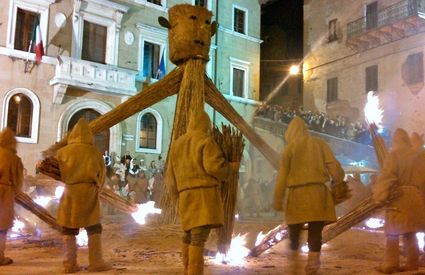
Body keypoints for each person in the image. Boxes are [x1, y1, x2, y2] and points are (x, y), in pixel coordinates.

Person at [166, 110, 239, 275]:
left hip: (185, 197)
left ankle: (187, 269)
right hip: (203, 198)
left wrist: (176, 196)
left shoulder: (177, 144)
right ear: (206, 124)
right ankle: (194, 272)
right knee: (198, 238)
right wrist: (230, 168)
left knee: (188, 235)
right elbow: (214, 167)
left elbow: (170, 176)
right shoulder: (206, 141)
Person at [272, 116, 344, 275]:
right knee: (315, 232)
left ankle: (294, 266)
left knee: (294, 232)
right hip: (317, 194)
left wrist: (278, 198)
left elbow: (282, 177)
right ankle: (312, 266)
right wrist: (338, 181)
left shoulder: (289, 150)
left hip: (297, 195)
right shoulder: (320, 144)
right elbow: (334, 168)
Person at [56, 118, 111, 273]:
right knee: (93, 228)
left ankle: (69, 264)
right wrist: (97, 188)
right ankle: (96, 262)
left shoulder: (62, 152)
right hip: (88, 193)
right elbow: (101, 176)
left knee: (69, 229)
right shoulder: (94, 152)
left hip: (70, 193)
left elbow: (57, 173)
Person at [373, 128, 425, 273]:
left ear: (396, 140)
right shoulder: (419, 156)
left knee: (393, 233)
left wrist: (380, 196)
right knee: (410, 232)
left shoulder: (394, 155)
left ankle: (390, 264)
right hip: (416, 196)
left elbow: (387, 177)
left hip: (399, 197)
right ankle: (412, 262)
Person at [0, 128, 24, 266]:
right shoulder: (14, 159)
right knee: (1, 228)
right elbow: (18, 182)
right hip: (4, 192)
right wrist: (14, 192)